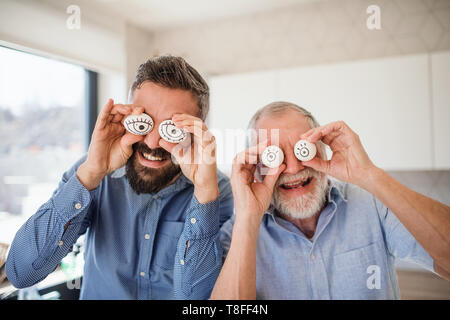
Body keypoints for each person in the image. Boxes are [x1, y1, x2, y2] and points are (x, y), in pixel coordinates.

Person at [6, 56, 233, 299]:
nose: (152, 142)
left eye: (172, 128)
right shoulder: (94, 171)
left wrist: (204, 196)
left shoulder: (217, 191)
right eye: (145, 122)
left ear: (197, 131)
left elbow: (196, 300)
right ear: (129, 116)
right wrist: (91, 173)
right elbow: (21, 273)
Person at [211, 101, 450, 299]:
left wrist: (369, 174)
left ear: (323, 149)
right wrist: (248, 219)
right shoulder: (236, 235)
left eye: (302, 149)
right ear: (255, 167)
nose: (293, 168)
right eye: (275, 156)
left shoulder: (372, 205)